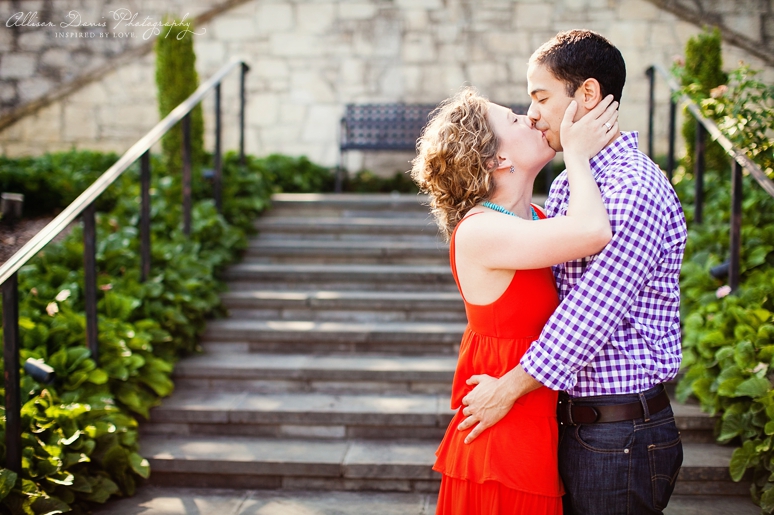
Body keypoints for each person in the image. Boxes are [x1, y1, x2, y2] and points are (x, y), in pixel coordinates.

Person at [456, 30, 688, 515]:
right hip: (576, 423)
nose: (533, 113)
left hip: (620, 432)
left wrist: (509, 388)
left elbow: (591, 312)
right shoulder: (570, 183)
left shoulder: (632, 188)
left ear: (587, 94)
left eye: (540, 97)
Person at [411, 85, 619, 514]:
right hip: (503, 445)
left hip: (536, 427)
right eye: (513, 119)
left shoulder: (537, 220)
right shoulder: (480, 231)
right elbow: (593, 233)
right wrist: (577, 155)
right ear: (496, 160)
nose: (529, 117)